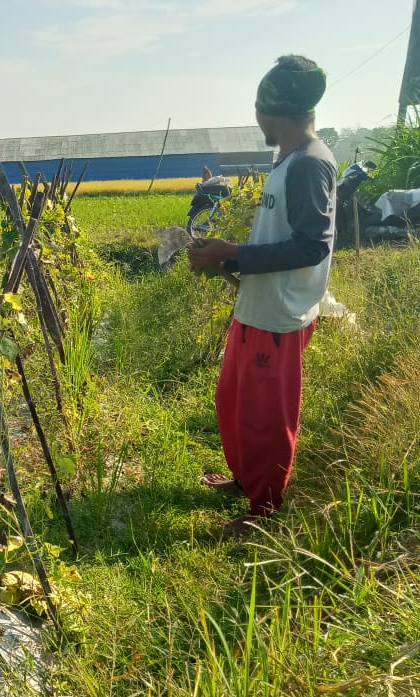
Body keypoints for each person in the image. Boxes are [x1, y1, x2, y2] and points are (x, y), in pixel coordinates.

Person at [187, 55, 336, 537]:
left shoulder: (310, 165)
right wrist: (227, 260)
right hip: (258, 305)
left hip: (279, 317)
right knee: (232, 400)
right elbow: (282, 237)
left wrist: (236, 253)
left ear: (268, 112)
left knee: (266, 418)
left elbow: (313, 245)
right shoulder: (292, 160)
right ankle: (246, 478)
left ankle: (264, 513)